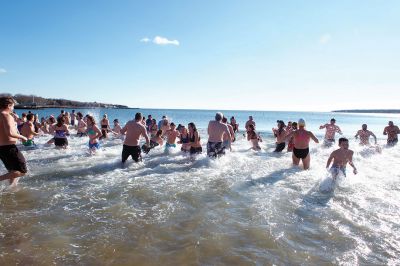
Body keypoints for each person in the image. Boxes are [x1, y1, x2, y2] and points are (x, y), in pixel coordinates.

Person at [0, 96, 28, 186]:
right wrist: (23, 137)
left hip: (2, 148)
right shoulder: (6, 115)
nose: (13, 108)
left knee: (13, 171)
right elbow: (10, 133)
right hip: (9, 147)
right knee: (22, 171)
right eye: (13, 106)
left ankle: (11, 189)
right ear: (8, 105)